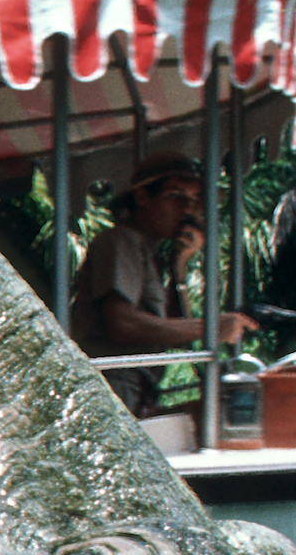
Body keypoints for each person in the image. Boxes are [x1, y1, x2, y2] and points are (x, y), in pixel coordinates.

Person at [69, 151, 259, 414]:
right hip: (112, 385)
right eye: (175, 196)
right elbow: (123, 323)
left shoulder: (149, 251)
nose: (187, 209)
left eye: (193, 199)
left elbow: (173, 333)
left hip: (139, 387)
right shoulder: (121, 241)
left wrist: (178, 267)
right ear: (142, 197)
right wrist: (211, 328)